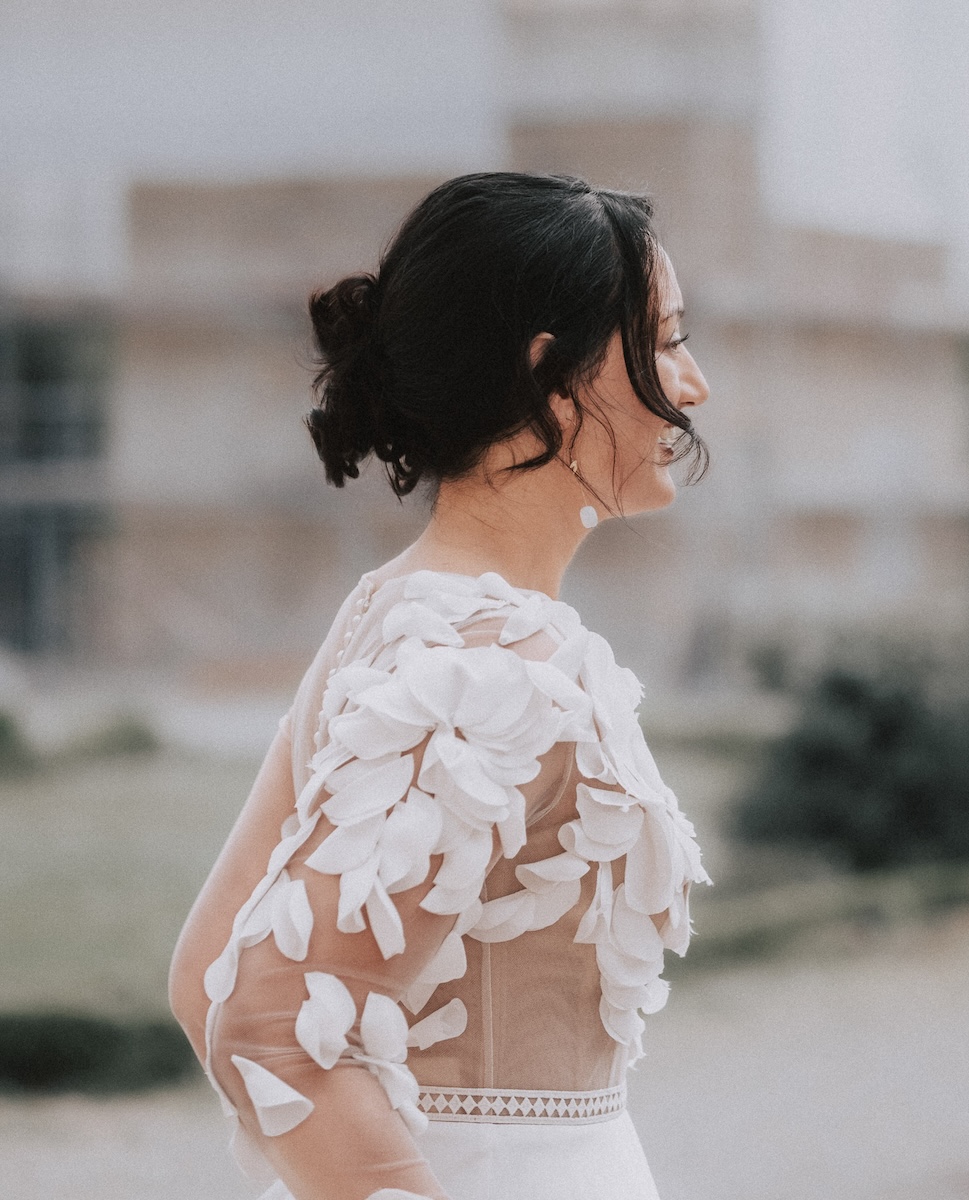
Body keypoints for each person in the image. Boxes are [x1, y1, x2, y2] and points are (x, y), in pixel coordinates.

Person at [169, 171, 713, 1200]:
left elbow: (206, 971)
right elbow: (269, 1020)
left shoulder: (391, 611)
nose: (694, 385)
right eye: (667, 339)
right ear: (554, 373)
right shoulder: (489, 663)